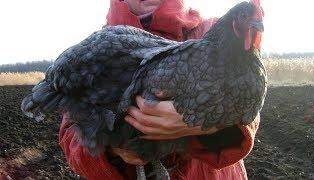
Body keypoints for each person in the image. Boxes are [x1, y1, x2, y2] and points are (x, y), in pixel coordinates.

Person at [59, 0, 260, 179]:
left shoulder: (212, 31)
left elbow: (250, 104)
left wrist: (199, 122)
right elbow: (71, 138)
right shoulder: (97, 48)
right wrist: (112, 149)